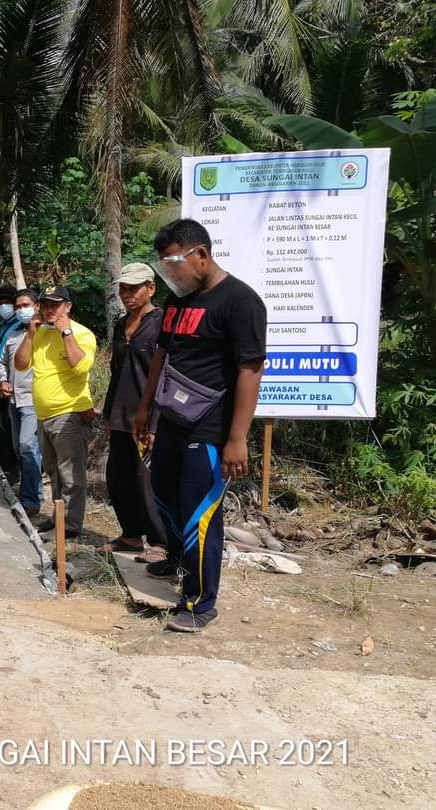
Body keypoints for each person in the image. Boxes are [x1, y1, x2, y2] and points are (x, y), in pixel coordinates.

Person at [133, 219, 266, 633]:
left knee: (200, 514)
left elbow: (250, 370)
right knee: (161, 491)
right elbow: (161, 356)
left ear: (201, 255)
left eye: (174, 266)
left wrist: (237, 438)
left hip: (210, 429)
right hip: (172, 419)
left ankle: (199, 602)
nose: (170, 276)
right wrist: (145, 409)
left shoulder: (240, 301)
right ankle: (176, 557)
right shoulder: (178, 303)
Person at [13, 284, 97, 543]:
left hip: (69, 414)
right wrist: (30, 334)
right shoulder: (40, 334)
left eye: (55, 305)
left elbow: (80, 367)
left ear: (67, 307)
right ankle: (60, 517)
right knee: (53, 471)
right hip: (44, 414)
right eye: (45, 305)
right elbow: (20, 363)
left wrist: (66, 332)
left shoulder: (82, 334)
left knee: (71, 474)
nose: (49, 310)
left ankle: (71, 526)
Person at [100, 263, 165, 559]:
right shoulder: (121, 324)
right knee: (118, 477)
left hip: (147, 417)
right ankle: (130, 535)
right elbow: (116, 371)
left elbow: (164, 375)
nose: (126, 294)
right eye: (123, 288)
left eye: (133, 288)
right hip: (120, 415)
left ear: (150, 288)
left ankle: (161, 542)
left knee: (148, 481)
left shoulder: (161, 323)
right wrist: (109, 414)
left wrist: (155, 423)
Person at [0, 289, 43, 519]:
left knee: (27, 446)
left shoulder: (46, 334)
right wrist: (3, 380)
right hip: (14, 399)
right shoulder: (13, 335)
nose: (20, 310)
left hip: (34, 401)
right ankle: (30, 489)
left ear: (36, 306)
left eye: (25, 305)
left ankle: (32, 499)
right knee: (20, 448)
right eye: (17, 306)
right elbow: (3, 362)